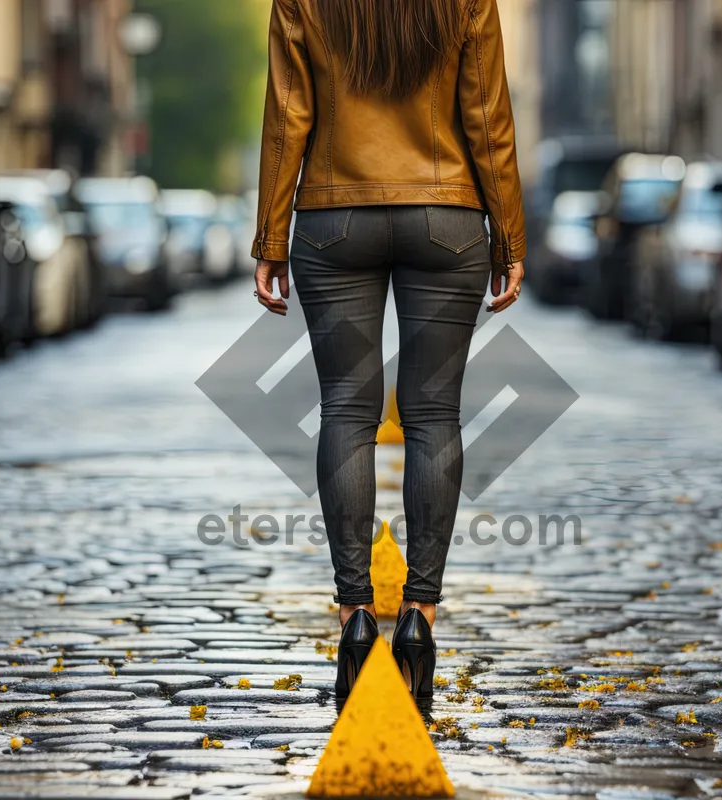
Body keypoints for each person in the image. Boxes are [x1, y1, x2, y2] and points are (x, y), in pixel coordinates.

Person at [251, 0, 526, 702]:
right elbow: (487, 116)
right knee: (435, 413)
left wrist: (271, 236)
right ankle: (419, 620)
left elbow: (289, 117)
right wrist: (510, 237)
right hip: (449, 216)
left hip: (333, 217)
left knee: (347, 410)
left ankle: (353, 620)